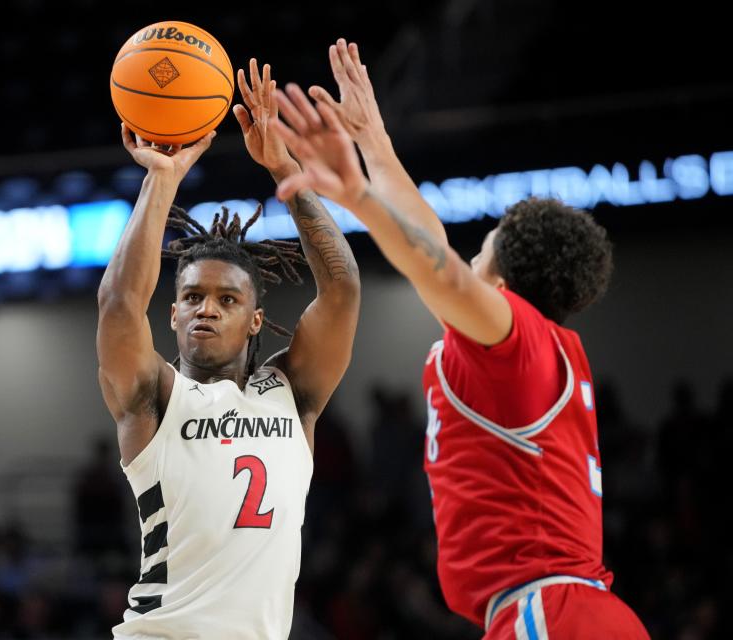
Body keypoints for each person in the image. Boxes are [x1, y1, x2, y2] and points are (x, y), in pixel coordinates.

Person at [270, 39, 649, 639]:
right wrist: (375, 142)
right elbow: (431, 240)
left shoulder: (514, 337)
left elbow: (436, 267)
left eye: (484, 243)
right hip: (570, 612)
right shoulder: (528, 347)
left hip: (552, 614)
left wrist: (359, 196)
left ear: (501, 273)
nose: (465, 254)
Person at [97, 58, 361, 639]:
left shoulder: (292, 394)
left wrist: (285, 170)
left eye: (225, 299)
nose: (206, 308)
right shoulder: (155, 397)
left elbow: (341, 289)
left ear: (256, 320)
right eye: (191, 297)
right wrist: (160, 180)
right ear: (172, 314)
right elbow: (119, 306)